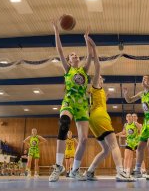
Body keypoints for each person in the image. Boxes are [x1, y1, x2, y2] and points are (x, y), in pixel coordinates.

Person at [49, 20, 94, 182]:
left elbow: (90, 55)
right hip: (69, 101)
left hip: (82, 105)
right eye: (72, 55)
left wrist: (86, 37)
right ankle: (58, 165)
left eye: (76, 54)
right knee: (64, 124)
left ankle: (74, 170)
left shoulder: (84, 70)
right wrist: (56, 31)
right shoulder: (68, 70)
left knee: (83, 140)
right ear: (68, 61)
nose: (74, 55)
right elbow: (59, 51)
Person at [84, 36, 133, 181]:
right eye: (100, 78)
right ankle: (120, 172)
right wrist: (93, 46)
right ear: (97, 79)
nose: (101, 79)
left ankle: (90, 171)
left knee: (105, 149)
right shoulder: (95, 84)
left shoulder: (97, 92)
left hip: (92, 119)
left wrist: (106, 99)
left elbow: (97, 102)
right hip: (100, 116)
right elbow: (97, 66)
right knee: (113, 144)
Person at [123, 75, 149, 180]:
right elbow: (129, 100)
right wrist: (126, 94)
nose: (143, 80)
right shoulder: (141, 93)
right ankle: (137, 170)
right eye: (142, 79)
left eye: (145, 79)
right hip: (146, 121)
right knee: (140, 147)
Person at [116, 113, 142, 177]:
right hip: (129, 142)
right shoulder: (125, 125)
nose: (129, 117)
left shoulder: (135, 123)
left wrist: (140, 138)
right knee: (127, 156)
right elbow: (124, 132)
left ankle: (142, 171)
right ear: (126, 118)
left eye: (130, 116)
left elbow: (141, 130)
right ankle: (126, 171)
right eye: (127, 116)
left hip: (136, 141)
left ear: (132, 118)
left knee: (139, 157)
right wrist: (116, 134)